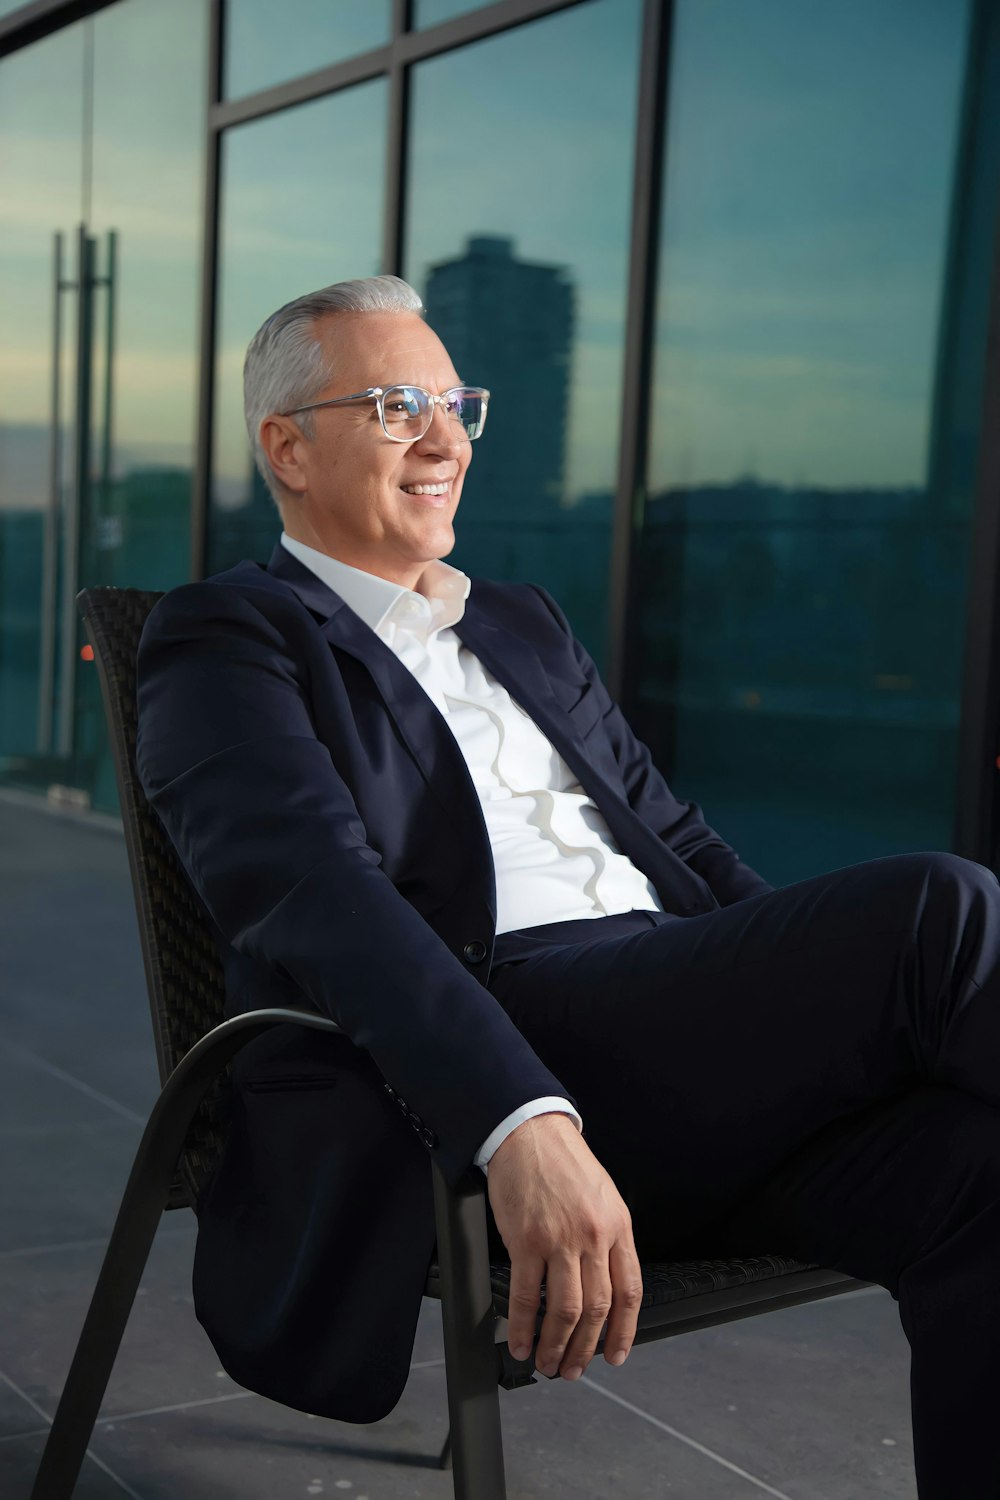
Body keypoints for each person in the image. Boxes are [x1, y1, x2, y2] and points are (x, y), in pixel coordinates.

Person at [136, 276, 1000, 1497]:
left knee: (972, 1166)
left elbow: (682, 847)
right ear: (288, 446)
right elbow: (320, 899)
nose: (443, 440)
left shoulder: (522, 624)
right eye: (394, 406)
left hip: (674, 1039)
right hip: (501, 1040)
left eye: (455, 404)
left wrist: (831, 1019)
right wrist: (518, 1118)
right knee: (941, 912)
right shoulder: (228, 636)